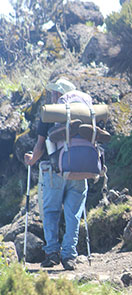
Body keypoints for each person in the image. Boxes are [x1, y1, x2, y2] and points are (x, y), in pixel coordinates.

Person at [24, 78, 91, 270]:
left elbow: (39, 147)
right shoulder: (86, 114)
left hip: (54, 171)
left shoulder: (50, 113)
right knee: (73, 214)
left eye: (54, 92)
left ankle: (52, 253)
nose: (52, 94)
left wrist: (31, 160)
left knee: (51, 212)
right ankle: (69, 256)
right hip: (80, 170)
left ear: (59, 94)